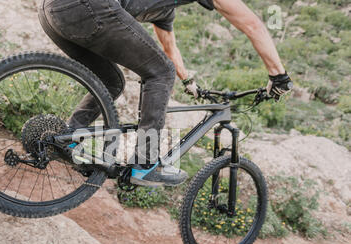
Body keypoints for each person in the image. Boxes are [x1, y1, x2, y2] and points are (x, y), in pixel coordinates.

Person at [38, 0, 293, 186]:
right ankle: (145, 163)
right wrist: (278, 75)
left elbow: (169, 47)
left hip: (52, 10)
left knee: (112, 81)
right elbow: (252, 24)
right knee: (160, 73)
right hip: (87, 6)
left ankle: (68, 136)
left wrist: (189, 81)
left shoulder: (163, 9)